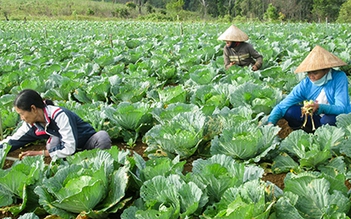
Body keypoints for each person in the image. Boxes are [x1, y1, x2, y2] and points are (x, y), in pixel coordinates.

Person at [0, 89, 112, 159]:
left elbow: (69, 147)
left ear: (33, 109)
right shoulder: (31, 124)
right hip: (67, 153)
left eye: (22, 114)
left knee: (102, 137)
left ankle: (96, 162)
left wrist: (41, 153)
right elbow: (12, 141)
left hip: (87, 144)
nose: (21, 118)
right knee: (53, 143)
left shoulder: (59, 115)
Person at [267, 45, 351, 132]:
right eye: (308, 73)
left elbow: (342, 108)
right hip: (315, 118)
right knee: (290, 111)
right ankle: (307, 131)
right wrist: (270, 123)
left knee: (327, 120)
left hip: (335, 118)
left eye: (315, 73)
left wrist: (319, 107)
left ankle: (327, 136)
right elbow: (282, 106)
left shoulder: (339, 77)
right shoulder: (306, 84)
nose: (311, 76)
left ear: (326, 70)